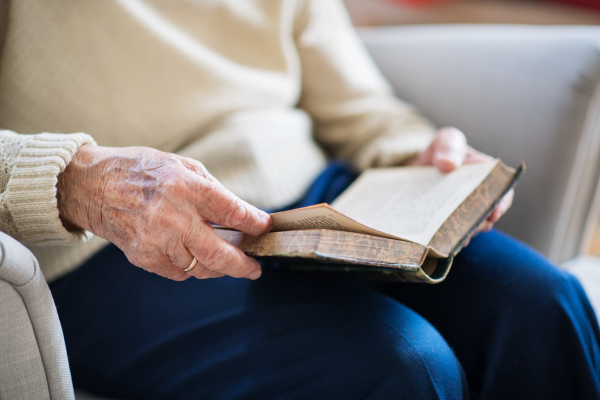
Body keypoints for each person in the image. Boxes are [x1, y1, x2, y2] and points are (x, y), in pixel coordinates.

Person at [1, 0, 599, 399]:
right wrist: (79, 179)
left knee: (544, 305)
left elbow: (357, 106)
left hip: (313, 199)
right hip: (103, 241)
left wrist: (424, 152)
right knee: (402, 366)